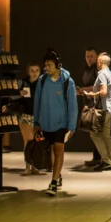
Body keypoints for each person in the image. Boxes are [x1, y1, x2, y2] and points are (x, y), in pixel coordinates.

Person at [33, 49, 78, 196]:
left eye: (49, 65)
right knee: (51, 150)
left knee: (59, 150)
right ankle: (57, 175)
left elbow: (72, 105)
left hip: (61, 124)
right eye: (45, 65)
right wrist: (36, 123)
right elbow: (37, 102)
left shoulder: (68, 82)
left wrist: (71, 126)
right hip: (45, 122)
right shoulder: (42, 80)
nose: (46, 68)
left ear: (58, 65)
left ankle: (52, 183)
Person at [84, 52, 111, 171]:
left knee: (94, 134)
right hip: (110, 108)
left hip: (102, 109)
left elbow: (104, 92)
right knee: (106, 135)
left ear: (101, 62)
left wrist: (92, 94)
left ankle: (106, 160)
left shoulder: (102, 74)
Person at [79, 46, 102, 167]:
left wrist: (83, 89)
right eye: (87, 56)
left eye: (91, 56)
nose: (89, 58)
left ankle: (100, 158)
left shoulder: (97, 70)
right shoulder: (87, 69)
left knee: (96, 132)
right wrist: (82, 91)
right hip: (89, 103)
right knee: (93, 131)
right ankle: (97, 157)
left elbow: (98, 86)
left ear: (96, 57)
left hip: (97, 104)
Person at [19, 62, 42, 175]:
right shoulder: (23, 82)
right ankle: (27, 166)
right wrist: (19, 93)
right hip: (26, 115)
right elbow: (14, 96)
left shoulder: (42, 84)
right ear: (28, 72)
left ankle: (35, 166)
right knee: (28, 142)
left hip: (39, 116)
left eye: (36, 70)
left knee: (37, 141)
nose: (34, 73)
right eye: (32, 70)